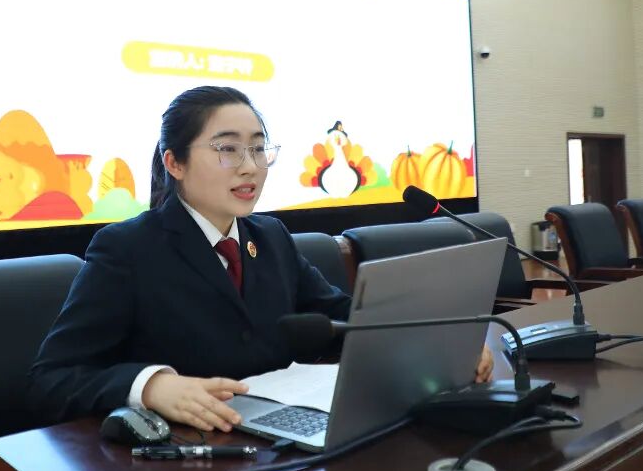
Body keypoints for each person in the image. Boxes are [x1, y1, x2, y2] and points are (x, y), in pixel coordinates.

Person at [28, 85, 493, 431]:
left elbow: (344, 315)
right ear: (175, 163)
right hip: (189, 459)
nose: (250, 166)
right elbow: (52, 379)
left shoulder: (270, 237)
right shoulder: (128, 249)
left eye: (257, 147)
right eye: (227, 149)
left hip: (281, 438)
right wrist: (151, 386)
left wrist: (441, 342)